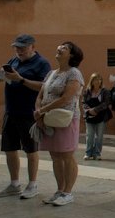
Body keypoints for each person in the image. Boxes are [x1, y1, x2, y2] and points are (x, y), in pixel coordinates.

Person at [0, 33, 49, 199]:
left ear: (32, 47)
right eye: (16, 47)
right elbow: (1, 78)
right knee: (9, 149)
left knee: (31, 150)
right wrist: (0, 75)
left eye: (22, 47)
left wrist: (21, 79)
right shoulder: (13, 61)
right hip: (11, 112)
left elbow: (44, 87)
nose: (19, 50)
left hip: (28, 113)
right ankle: (14, 184)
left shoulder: (42, 63)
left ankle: (32, 184)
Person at [32, 41, 84, 206]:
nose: (60, 48)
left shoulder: (74, 74)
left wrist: (42, 111)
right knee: (55, 156)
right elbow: (41, 94)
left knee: (66, 155)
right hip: (49, 119)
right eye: (59, 46)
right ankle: (59, 190)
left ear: (72, 55)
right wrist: (38, 111)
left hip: (65, 119)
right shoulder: (51, 73)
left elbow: (66, 98)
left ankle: (68, 192)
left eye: (65, 48)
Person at [81, 73, 111, 161]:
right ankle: (88, 153)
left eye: (99, 79)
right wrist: (89, 110)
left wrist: (95, 110)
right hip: (89, 117)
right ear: (92, 81)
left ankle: (97, 153)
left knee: (99, 136)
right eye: (95, 79)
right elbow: (83, 102)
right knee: (89, 135)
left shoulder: (105, 91)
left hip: (101, 117)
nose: (97, 81)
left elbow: (106, 103)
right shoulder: (87, 91)